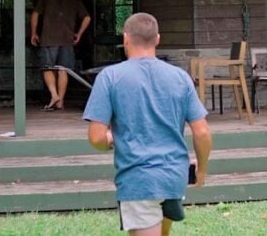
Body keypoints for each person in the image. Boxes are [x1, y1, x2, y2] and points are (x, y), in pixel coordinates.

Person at [83, 13, 212, 236]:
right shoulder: (180, 77)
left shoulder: (110, 77)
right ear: (157, 39)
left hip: (138, 181)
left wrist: (111, 140)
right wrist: (202, 169)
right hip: (174, 177)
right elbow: (202, 133)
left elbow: (96, 138)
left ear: (125, 38)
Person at [30, 0, 91, 111]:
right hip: (67, 39)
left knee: (47, 67)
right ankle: (60, 101)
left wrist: (34, 33)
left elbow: (35, 14)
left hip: (48, 38)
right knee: (64, 70)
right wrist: (79, 34)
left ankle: (54, 95)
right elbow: (87, 17)